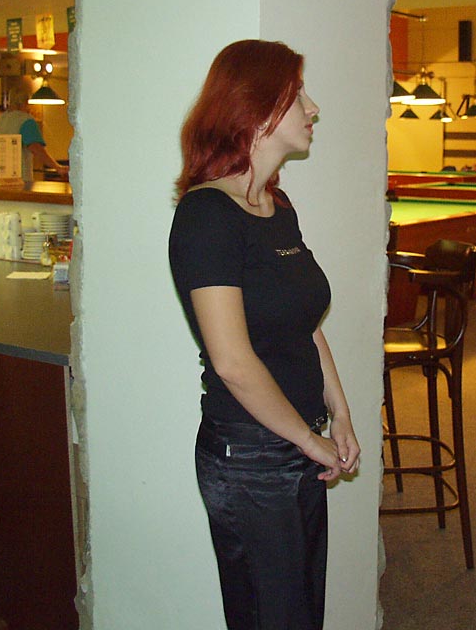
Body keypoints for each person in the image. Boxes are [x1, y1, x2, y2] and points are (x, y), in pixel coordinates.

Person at [169, 39, 360, 630]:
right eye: (297, 94)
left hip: (298, 443)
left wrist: (339, 413)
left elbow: (306, 326)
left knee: (300, 613)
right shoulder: (206, 216)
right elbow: (232, 361)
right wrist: (308, 439)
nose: (313, 107)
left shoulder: (278, 208)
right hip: (249, 457)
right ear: (253, 109)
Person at [0, 93, 68, 182]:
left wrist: (3, 165)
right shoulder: (25, 120)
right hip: (21, 179)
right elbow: (36, 148)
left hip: (1, 179)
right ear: (25, 103)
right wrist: (57, 167)